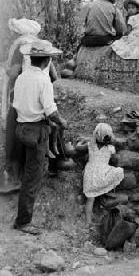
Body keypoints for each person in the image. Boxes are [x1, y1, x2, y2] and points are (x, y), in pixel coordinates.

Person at [12, 40, 67, 235]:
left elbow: (16, 102)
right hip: (36, 130)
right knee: (32, 177)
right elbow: (50, 110)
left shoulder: (22, 77)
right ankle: (23, 221)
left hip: (21, 127)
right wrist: (62, 122)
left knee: (25, 171)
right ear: (47, 61)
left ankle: (20, 213)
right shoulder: (43, 80)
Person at [1, 19, 58, 193]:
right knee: (47, 131)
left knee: (14, 135)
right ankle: (48, 168)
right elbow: (54, 76)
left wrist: (5, 68)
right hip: (40, 100)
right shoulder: (41, 48)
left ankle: (14, 178)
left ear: (18, 33)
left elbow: (14, 73)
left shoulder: (20, 48)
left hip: (21, 97)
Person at [83, 123, 124, 224]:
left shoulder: (90, 146)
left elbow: (78, 148)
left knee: (90, 199)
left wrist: (82, 141)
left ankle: (88, 222)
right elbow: (115, 154)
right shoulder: (111, 148)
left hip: (90, 176)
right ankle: (104, 196)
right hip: (102, 176)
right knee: (119, 171)